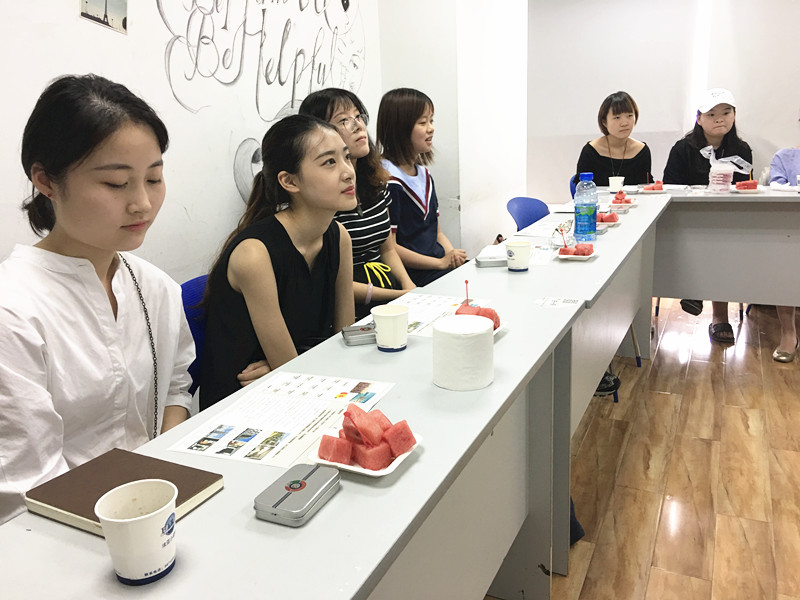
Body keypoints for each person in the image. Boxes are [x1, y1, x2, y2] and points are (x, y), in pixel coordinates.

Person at [0, 74, 194, 524]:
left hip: (155, 512)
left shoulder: (156, 288)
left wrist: (162, 477)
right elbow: (23, 490)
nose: (142, 203)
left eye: (154, 178)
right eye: (115, 183)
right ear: (46, 180)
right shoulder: (14, 311)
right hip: (56, 532)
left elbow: (176, 387)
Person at [199, 115, 356, 409]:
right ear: (289, 181)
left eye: (346, 157)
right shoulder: (254, 254)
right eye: (329, 162)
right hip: (243, 404)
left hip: (305, 382)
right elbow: (291, 372)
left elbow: (345, 339)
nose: (348, 172)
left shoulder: (339, 237)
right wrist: (287, 369)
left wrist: (286, 368)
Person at [299, 88, 416, 319]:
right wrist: (398, 296)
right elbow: (329, 282)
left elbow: (387, 248)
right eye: (343, 120)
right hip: (350, 305)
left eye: (358, 116)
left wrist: (409, 285)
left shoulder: (376, 182)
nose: (358, 126)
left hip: (389, 294)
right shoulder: (321, 197)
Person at [663, 88, 753, 343]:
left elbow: (745, 187)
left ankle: (714, 310)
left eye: (726, 112)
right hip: (688, 217)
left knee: (721, 240)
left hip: (727, 219)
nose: (719, 119)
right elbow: (670, 187)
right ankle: (694, 288)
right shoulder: (682, 148)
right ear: (699, 118)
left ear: (734, 116)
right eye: (711, 114)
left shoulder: (741, 150)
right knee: (703, 238)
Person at [376, 88, 466, 287]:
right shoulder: (387, 180)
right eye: (423, 122)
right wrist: (440, 263)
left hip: (436, 267)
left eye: (431, 120)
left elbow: (437, 233)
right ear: (400, 128)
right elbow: (391, 248)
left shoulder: (424, 174)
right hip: (414, 276)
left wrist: (452, 256)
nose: (431, 128)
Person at [574, 91, 652, 187]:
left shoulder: (642, 151)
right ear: (604, 122)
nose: (624, 123)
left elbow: (645, 187)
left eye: (630, 116)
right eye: (617, 117)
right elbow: (582, 188)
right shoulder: (591, 151)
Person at [768, 147, 799, 361]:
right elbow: (776, 190)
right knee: (786, 257)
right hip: (794, 227)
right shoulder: (785, 157)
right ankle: (789, 333)